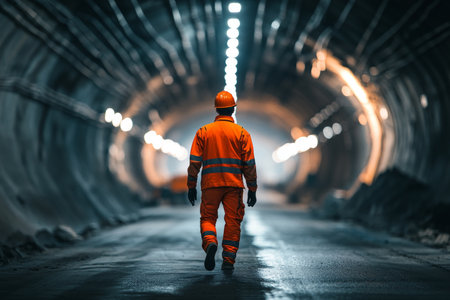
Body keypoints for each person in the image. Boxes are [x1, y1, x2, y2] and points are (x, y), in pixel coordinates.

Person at [187, 91, 257, 271]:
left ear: (216, 110)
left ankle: (210, 242)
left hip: (210, 184)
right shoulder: (242, 133)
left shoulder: (203, 132)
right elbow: (249, 164)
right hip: (234, 185)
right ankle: (228, 259)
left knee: (208, 218)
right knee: (233, 221)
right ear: (233, 109)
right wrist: (252, 188)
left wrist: (191, 185)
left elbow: (194, 162)